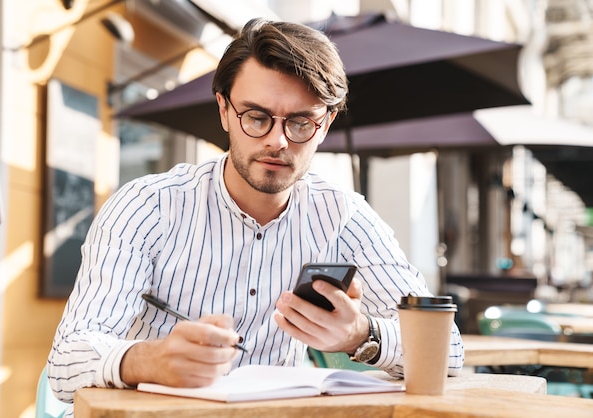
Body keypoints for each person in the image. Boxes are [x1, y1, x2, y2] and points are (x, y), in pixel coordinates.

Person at [48, 17, 464, 411]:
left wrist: (362, 336)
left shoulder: (344, 214)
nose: (278, 141)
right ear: (224, 110)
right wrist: (146, 360)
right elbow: (65, 364)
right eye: (257, 117)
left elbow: (448, 352)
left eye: (301, 123)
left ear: (327, 122)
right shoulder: (148, 206)